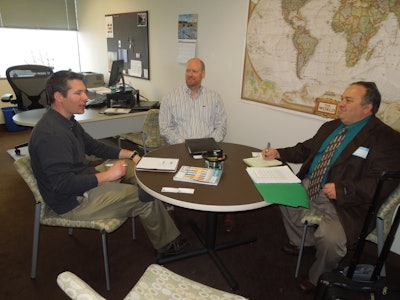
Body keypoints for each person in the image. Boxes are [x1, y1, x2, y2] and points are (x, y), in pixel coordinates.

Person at [28, 70, 187, 257]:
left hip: (84, 178)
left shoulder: (67, 121)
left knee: (136, 169)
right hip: (74, 201)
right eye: (78, 93)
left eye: (84, 92)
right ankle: (166, 245)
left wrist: (130, 153)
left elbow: (93, 146)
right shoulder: (52, 135)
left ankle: (156, 211)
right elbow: (63, 184)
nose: (85, 97)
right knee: (145, 196)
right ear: (58, 97)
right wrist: (107, 176)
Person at [261, 81, 400, 293]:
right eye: (342, 98)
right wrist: (278, 153)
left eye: (348, 100)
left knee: (330, 239)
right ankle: (303, 240)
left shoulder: (386, 139)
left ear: (367, 107)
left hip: (347, 203)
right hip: (312, 185)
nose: (341, 104)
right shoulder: (331, 127)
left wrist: (343, 189)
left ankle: (318, 277)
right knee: (279, 194)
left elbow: (381, 182)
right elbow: (306, 149)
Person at [159, 58, 234, 231]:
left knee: (225, 178)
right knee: (172, 181)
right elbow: (165, 128)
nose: (190, 75)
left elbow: (221, 126)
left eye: (194, 71)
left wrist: (209, 144)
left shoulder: (214, 97)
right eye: (188, 71)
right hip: (179, 147)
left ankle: (224, 211)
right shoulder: (170, 97)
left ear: (203, 74)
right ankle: (171, 210)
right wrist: (183, 143)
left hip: (209, 149)